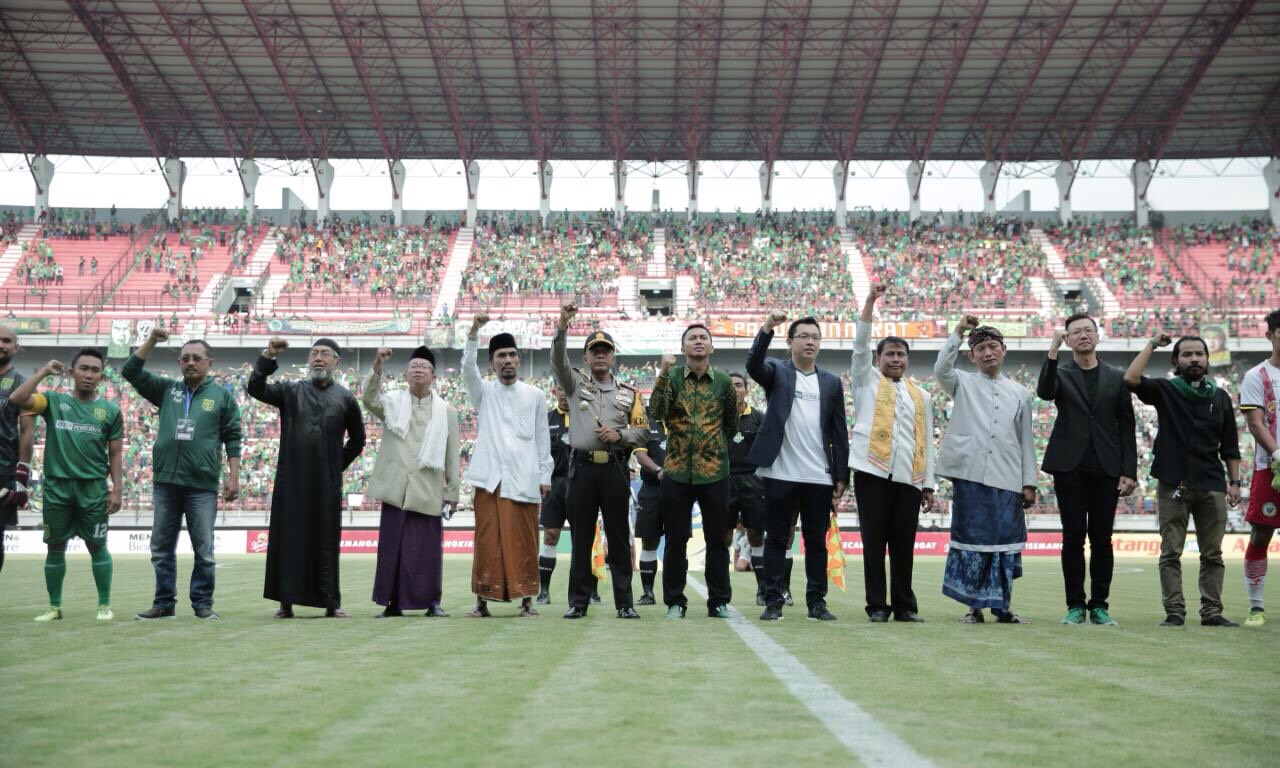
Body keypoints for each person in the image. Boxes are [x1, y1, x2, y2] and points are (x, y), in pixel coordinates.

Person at [1124, 332, 1241, 627]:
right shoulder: (1166, 390)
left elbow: (1230, 445)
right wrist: (1152, 345)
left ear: (1207, 358)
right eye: (1187, 355)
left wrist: (1235, 482)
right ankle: (1174, 611)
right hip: (1173, 483)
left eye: (1199, 354)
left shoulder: (1220, 397)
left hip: (1212, 484)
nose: (1194, 359)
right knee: (1170, 551)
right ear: (1176, 361)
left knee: (1213, 553)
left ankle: (1211, 611)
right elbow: (1131, 379)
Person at [124, 327, 242, 621]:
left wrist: (233, 476)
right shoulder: (167, 390)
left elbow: (233, 436)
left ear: (209, 363)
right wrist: (151, 340)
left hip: (201, 485)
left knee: (203, 549)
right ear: (179, 363)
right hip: (166, 482)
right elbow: (131, 371)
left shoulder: (222, 397)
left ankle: (202, 603)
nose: (190, 362)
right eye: (185, 358)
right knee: (161, 548)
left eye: (197, 358)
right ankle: (164, 603)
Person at [247, 337, 366, 619]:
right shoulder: (290, 390)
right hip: (292, 481)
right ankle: (285, 603)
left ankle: (330, 604)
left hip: (326, 484)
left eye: (325, 354)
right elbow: (255, 388)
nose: (318, 358)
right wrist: (268, 357)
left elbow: (358, 440)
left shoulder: (346, 398)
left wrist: (335, 465)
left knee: (324, 541)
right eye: (314, 353)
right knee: (289, 540)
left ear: (336, 361)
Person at [746, 311, 849, 622]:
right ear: (790, 341)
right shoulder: (777, 371)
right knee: (777, 538)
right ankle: (773, 601)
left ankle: (817, 603)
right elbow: (753, 366)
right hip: (780, 472)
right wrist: (766, 329)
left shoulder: (831, 382)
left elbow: (839, 430)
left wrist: (841, 474)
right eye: (803, 336)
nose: (810, 341)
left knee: (816, 542)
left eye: (815, 337)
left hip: (819, 475)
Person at [935, 317, 1038, 624]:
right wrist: (958, 333)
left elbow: (1026, 440)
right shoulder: (962, 382)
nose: (987, 352)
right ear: (972, 356)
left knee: (1005, 546)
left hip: (1008, 479)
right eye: (980, 348)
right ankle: (974, 608)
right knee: (974, 544)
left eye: (993, 346)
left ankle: (1002, 607)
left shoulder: (1021, 393)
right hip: (970, 476)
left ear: (1004, 350)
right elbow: (941, 369)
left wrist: (1029, 482)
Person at [1037, 313, 1137, 627]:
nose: (1083, 336)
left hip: (1107, 467)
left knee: (1102, 539)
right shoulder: (1062, 373)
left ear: (1097, 336)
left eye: (1088, 331)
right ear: (1067, 339)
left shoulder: (1116, 376)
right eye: (1076, 332)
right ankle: (1075, 606)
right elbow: (1044, 391)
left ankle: (1100, 606)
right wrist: (1052, 351)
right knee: (1072, 538)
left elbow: (1127, 427)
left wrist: (1129, 470)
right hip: (1069, 466)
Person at [551, 305, 648, 619]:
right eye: (595, 351)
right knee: (581, 538)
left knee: (619, 538)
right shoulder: (575, 383)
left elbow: (644, 431)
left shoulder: (630, 394)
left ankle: (625, 603)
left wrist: (619, 436)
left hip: (616, 470)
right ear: (586, 358)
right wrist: (563, 326)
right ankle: (578, 603)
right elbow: (557, 360)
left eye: (606, 351)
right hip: (582, 469)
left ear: (614, 357)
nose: (601, 356)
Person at [11, 350, 123, 621]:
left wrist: (116, 488)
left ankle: (104, 606)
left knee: (97, 546)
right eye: (83, 368)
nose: (88, 374)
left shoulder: (110, 410)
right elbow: (17, 399)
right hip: (57, 488)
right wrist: (44, 371)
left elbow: (116, 453)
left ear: (101, 376)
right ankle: (54, 607)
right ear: (72, 373)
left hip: (93, 488)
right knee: (55, 547)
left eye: (95, 370)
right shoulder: (53, 401)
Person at [849, 286, 935, 623]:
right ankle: (876, 606)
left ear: (907, 359)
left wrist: (928, 484)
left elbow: (927, 439)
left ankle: (904, 606)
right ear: (878, 358)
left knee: (904, 545)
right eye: (889, 354)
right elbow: (859, 346)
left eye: (901, 355)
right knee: (874, 543)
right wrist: (870, 302)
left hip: (909, 478)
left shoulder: (921, 395)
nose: (895, 359)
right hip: (872, 473)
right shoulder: (866, 381)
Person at [462, 315, 552, 618]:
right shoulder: (484, 393)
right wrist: (474, 333)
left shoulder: (535, 395)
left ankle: (527, 601)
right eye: (501, 356)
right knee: (487, 541)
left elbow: (542, 440)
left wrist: (545, 476)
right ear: (492, 364)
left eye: (512, 355)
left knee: (525, 541)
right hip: (490, 480)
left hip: (524, 479)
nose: (508, 360)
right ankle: (481, 602)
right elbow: (466, 369)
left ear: (519, 359)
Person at [648, 323, 739, 619]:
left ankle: (719, 602)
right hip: (675, 472)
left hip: (715, 472)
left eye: (704, 338)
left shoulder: (724, 382)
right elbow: (657, 413)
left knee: (717, 540)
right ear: (683, 347)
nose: (698, 342)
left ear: (712, 347)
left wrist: (712, 450)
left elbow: (731, 425)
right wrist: (662, 374)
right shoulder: (671, 377)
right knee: (675, 539)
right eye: (692, 338)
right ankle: (675, 601)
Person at [363, 345, 459, 618]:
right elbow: (368, 398)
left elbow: (452, 455)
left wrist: (452, 492)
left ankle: (432, 602)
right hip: (397, 488)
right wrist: (377, 366)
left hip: (428, 489)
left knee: (427, 551)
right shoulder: (392, 403)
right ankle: (391, 603)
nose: (418, 370)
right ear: (405, 375)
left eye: (424, 367)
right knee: (393, 548)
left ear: (434, 377)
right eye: (413, 367)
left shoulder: (447, 412)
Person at [1241, 309, 1280, 627]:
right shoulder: (1257, 376)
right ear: (1270, 336)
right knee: (1261, 534)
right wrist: (1278, 453)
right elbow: (1255, 423)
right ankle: (1256, 608)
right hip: (1270, 467)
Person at [536, 384, 587, 605]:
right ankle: (544, 591)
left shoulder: (585, 417)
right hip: (554, 485)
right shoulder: (545, 419)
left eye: (569, 389)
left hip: (582, 484)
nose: (565, 394)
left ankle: (587, 591)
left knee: (583, 540)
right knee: (551, 535)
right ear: (554, 391)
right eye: (560, 389)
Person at [726, 372, 768, 605]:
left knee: (755, 534)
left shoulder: (759, 419)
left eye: (739, 385)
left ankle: (762, 588)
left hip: (753, 481)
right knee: (724, 535)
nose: (735, 389)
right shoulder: (719, 418)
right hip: (725, 480)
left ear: (746, 390)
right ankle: (721, 590)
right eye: (731, 386)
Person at [0, 324, 34, 577]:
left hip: (3, 469)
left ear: (16, 347)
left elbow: (26, 431)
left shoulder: (21, 383)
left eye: (7, 341)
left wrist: (21, 472)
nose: (1, 345)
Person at [632, 415, 666, 606]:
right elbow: (640, 455)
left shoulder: (686, 419)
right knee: (649, 541)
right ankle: (648, 593)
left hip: (680, 490)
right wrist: (659, 470)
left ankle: (675, 594)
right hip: (651, 489)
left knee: (678, 542)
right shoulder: (646, 424)